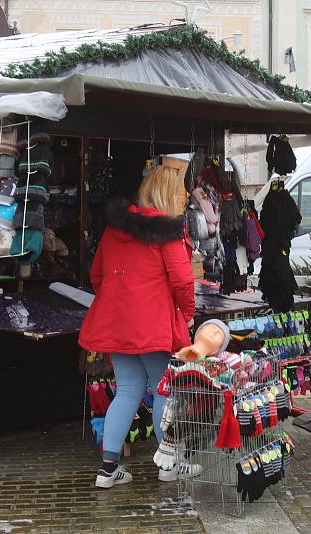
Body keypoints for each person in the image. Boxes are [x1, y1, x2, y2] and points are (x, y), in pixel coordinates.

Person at [79, 160, 196, 488]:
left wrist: (121, 300)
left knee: (127, 390)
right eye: (182, 193)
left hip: (116, 322)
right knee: (163, 388)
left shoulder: (115, 228)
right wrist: (186, 312)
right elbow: (183, 279)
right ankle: (169, 462)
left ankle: (108, 470)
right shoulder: (168, 229)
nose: (186, 197)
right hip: (152, 324)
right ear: (170, 195)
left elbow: (96, 275)